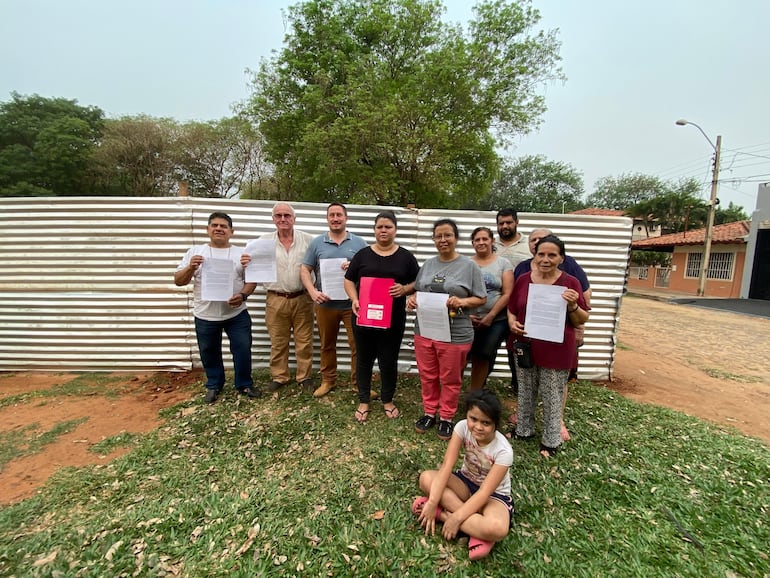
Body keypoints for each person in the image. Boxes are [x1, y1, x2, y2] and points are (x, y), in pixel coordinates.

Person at [507, 235, 589, 458]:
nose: (545, 259)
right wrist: (512, 322)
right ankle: (524, 430)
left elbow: (581, 319)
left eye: (552, 255)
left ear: (561, 258)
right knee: (525, 389)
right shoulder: (524, 279)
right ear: (534, 255)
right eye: (541, 254)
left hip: (557, 348)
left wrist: (572, 304)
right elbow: (512, 307)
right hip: (526, 344)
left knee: (553, 394)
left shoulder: (571, 283)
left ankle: (551, 440)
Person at [407, 218, 486, 441]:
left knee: (450, 378)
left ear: (456, 238)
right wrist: (412, 299)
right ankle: (429, 412)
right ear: (433, 239)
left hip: (455, 333)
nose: (443, 240)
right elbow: (419, 291)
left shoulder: (469, 266)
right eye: (438, 236)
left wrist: (462, 302)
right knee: (428, 374)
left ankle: (447, 417)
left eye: (447, 235)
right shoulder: (428, 265)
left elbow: (481, 298)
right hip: (425, 329)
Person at [412, 389, 514, 561]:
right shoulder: (461, 427)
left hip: (493, 496)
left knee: (497, 528)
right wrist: (432, 502)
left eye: (486, 423)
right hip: (465, 482)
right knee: (426, 478)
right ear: (466, 415)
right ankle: (476, 528)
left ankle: (443, 515)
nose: (478, 427)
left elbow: (484, 493)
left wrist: (455, 519)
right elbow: (447, 466)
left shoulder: (504, 451)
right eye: (473, 419)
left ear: (495, 424)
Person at [174, 212, 261, 403]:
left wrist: (243, 295)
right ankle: (214, 385)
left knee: (242, 349)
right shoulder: (195, 253)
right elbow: (178, 281)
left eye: (223, 226)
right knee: (209, 351)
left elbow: (251, 281)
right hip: (205, 315)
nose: (219, 229)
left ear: (231, 231)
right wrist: (190, 268)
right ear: (207, 230)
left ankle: (244, 384)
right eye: (215, 225)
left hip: (236, 313)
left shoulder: (241, 254)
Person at [344, 211, 419, 422]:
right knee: (364, 360)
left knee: (388, 361)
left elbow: (418, 282)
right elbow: (349, 280)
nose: (383, 230)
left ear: (395, 230)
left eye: (388, 227)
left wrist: (405, 290)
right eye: (380, 227)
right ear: (374, 230)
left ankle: (387, 399)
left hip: (392, 320)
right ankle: (363, 400)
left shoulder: (406, 257)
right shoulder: (363, 255)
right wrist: (354, 299)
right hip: (363, 317)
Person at [243, 203, 315, 393]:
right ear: (273, 219)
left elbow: (320, 264)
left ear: (294, 219)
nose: (283, 219)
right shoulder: (262, 242)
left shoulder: (309, 240)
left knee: (304, 340)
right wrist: (246, 263)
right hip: (275, 298)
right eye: (278, 216)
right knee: (278, 340)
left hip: (303, 298)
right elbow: (253, 269)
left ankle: (304, 376)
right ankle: (279, 376)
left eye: (287, 215)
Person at [301, 203, 368, 398]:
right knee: (326, 344)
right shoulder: (317, 243)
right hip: (325, 305)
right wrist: (313, 291)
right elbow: (305, 269)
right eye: (332, 215)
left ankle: (358, 383)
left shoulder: (359, 243)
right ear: (327, 219)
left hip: (352, 305)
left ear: (346, 218)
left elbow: (369, 270)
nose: (336, 218)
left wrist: (356, 267)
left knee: (357, 346)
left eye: (339, 215)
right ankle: (328, 381)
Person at [468, 227, 513, 391]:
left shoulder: (503, 263)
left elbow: (508, 293)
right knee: (463, 355)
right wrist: (467, 316)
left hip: (496, 319)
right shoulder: (466, 263)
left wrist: (491, 315)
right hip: (469, 318)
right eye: (477, 240)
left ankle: (475, 393)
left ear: (492, 241)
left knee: (483, 354)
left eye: (484, 239)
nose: (481, 242)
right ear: (472, 243)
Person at [494, 208, 530, 396]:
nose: (505, 226)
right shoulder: (492, 245)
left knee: (517, 348)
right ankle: (480, 382)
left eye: (508, 222)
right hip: (495, 305)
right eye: (501, 223)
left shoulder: (528, 246)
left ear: (517, 222)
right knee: (488, 347)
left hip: (520, 307)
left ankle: (519, 386)